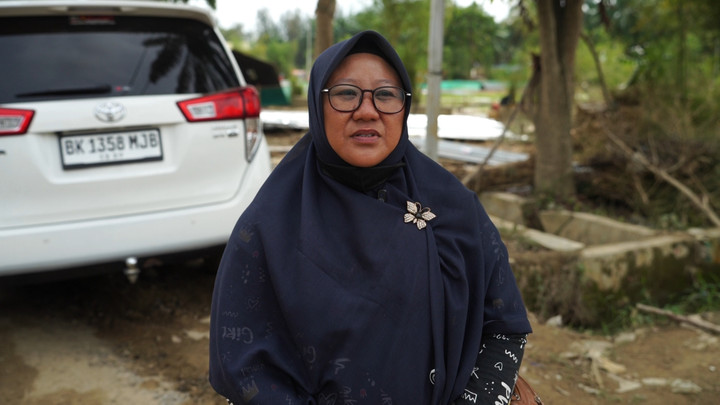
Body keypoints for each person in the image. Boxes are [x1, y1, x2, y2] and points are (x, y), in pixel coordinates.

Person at [209, 30, 532, 404]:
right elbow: (244, 368)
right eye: (346, 93)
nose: (367, 110)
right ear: (317, 105)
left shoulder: (454, 208)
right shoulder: (268, 228)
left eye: (386, 95)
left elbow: (503, 325)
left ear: (404, 107)